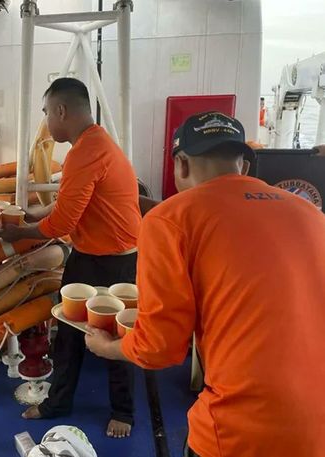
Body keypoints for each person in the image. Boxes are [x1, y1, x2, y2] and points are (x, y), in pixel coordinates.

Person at [85, 112, 325, 457]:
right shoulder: (312, 215)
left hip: (242, 430)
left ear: (180, 164)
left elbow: (159, 347)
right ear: (244, 165)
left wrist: (107, 347)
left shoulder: (170, 220)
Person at [0, 77, 141, 439]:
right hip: (89, 256)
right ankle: (58, 402)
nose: (46, 121)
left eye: (47, 112)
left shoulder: (86, 152)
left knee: (115, 336)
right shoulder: (94, 144)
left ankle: (123, 411)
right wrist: (32, 216)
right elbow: (68, 204)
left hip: (113, 263)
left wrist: (20, 233)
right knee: (68, 335)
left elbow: (62, 223)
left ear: (61, 111)